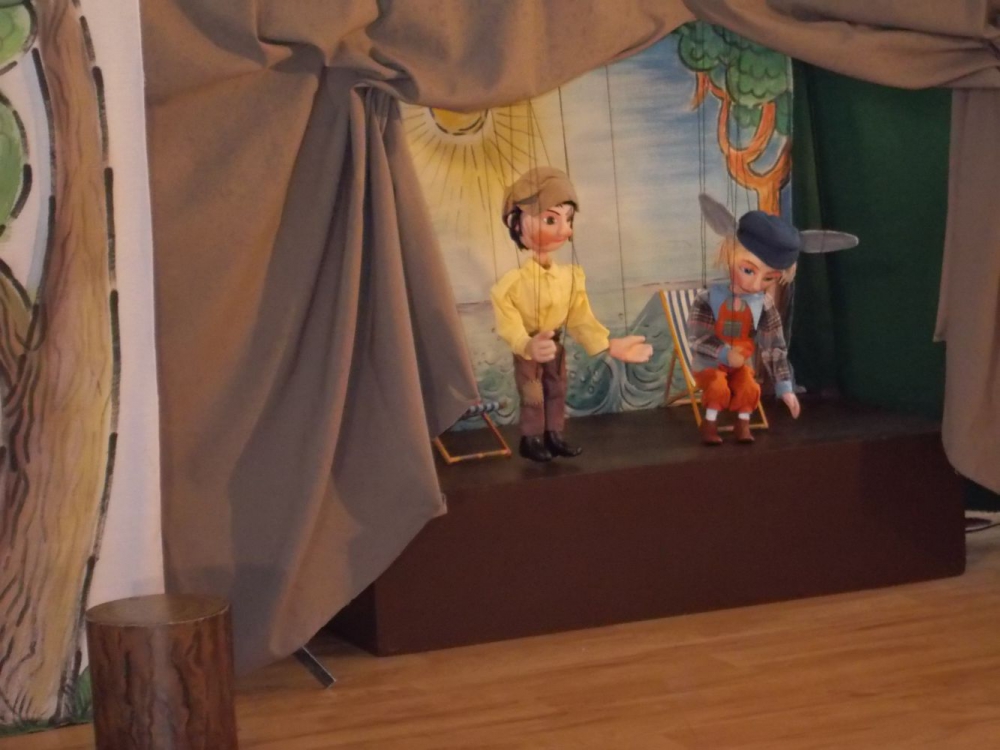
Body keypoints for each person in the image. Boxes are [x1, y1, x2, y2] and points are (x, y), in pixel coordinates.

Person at [490, 167, 652, 462]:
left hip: (555, 344)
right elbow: (508, 323)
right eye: (551, 220)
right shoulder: (511, 285)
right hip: (530, 348)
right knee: (532, 392)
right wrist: (526, 344)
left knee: (557, 388)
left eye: (568, 220)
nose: (565, 231)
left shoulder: (570, 277)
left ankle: (554, 434)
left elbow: (580, 319)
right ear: (518, 224)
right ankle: (531, 438)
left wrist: (608, 345)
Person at [687, 194, 857, 445]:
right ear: (729, 254)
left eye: (769, 278)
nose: (756, 284)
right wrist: (724, 354)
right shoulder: (709, 298)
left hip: (739, 366)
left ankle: (743, 425)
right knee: (718, 386)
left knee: (749, 387)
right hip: (709, 364)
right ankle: (710, 425)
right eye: (748, 270)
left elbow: (774, 347)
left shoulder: (763, 305)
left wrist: (785, 388)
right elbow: (697, 337)